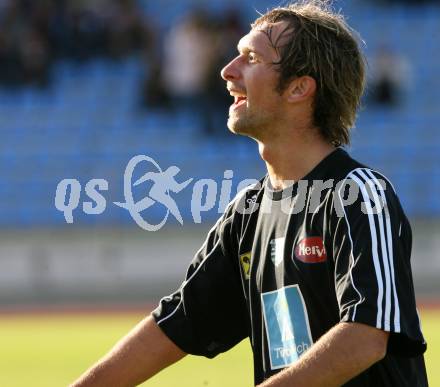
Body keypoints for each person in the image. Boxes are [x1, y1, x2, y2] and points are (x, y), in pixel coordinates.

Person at [71, 2, 428, 386]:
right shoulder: (247, 213)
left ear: (298, 88)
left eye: (251, 57)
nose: (227, 71)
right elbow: (177, 323)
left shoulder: (359, 195)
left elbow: (366, 336)